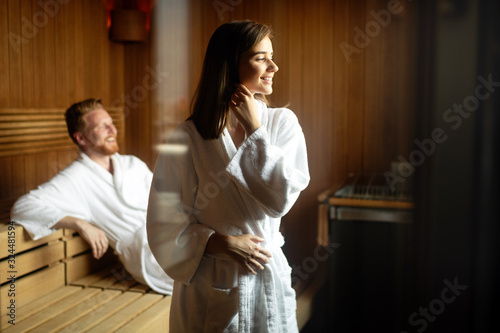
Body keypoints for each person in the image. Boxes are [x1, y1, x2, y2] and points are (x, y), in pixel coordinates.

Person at [147, 20, 310, 332]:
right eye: (261, 58)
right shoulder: (188, 136)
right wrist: (219, 243)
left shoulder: (282, 124)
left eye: (271, 56)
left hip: (266, 274)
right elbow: (162, 219)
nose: (274, 66)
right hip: (210, 281)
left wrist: (255, 131)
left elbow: (282, 198)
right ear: (229, 63)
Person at [10, 98, 173, 295]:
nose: (112, 130)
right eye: (102, 127)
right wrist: (80, 224)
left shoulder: (132, 164)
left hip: (170, 236)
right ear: (81, 138)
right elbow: (23, 207)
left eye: (111, 124)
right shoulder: (76, 179)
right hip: (149, 257)